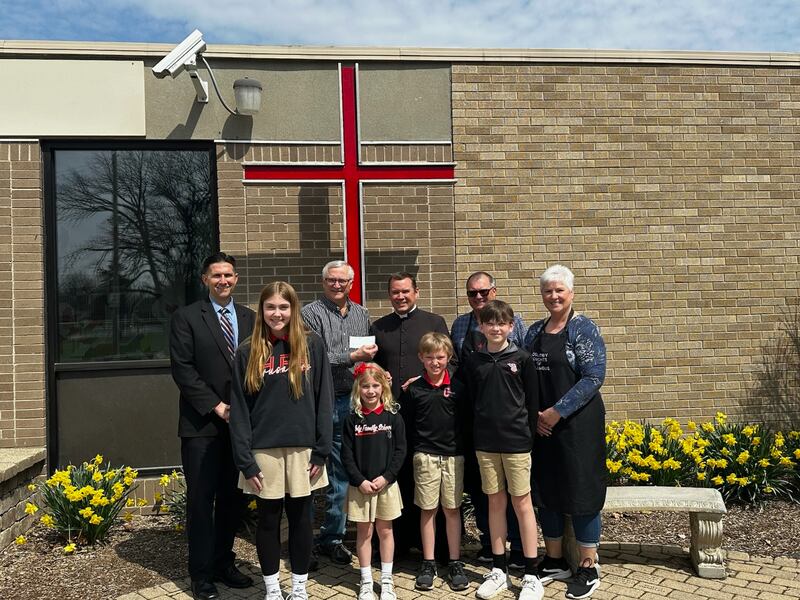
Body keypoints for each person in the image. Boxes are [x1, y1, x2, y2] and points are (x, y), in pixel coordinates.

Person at [229, 281, 334, 600]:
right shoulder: (248, 350)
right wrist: (245, 461)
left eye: (284, 307)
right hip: (263, 451)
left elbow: (324, 399)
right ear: (262, 310)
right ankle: (273, 589)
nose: (277, 313)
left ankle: (299, 588)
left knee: (303, 519)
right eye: (271, 307)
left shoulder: (312, 345)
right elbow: (240, 410)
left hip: (304, 449)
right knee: (269, 521)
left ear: (294, 309)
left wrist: (321, 451)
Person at [169, 252, 256, 600]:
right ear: (205, 279)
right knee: (202, 502)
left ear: (236, 279)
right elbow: (183, 371)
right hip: (202, 426)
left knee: (233, 500)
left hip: (242, 428)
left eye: (229, 275)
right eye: (216, 275)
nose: (224, 281)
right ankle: (201, 575)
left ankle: (223, 562)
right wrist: (218, 407)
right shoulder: (187, 317)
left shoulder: (250, 318)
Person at [524, 265, 607, 600]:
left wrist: (557, 412)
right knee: (547, 491)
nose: (554, 296)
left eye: (559, 290)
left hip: (577, 427)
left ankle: (588, 566)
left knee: (582, 492)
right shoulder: (533, 331)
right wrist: (537, 416)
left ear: (571, 292)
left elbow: (593, 376)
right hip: (543, 426)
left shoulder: (582, 329)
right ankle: (554, 560)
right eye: (548, 291)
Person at [460, 301, 543, 600]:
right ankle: (499, 569)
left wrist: (528, 436)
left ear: (510, 326)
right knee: (495, 502)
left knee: (522, 504)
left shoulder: (521, 358)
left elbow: (532, 403)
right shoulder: (474, 361)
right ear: (481, 327)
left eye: (502, 323)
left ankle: (532, 575)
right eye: (489, 323)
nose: (496, 328)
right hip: (485, 443)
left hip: (516, 443)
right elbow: (469, 402)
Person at [302, 260, 376, 565]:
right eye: (331, 280)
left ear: (351, 283)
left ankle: (331, 537)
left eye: (342, 281)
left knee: (342, 471)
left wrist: (369, 363)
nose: (336, 285)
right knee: (309, 471)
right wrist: (352, 356)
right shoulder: (309, 313)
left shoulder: (362, 313)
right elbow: (312, 355)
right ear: (323, 283)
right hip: (318, 401)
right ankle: (303, 540)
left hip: (352, 399)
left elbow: (366, 353)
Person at [371, 272, 449, 556]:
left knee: (428, 475)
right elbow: (371, 369)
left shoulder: (434, 322)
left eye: (405, 291)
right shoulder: (379, 327)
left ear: (416, 292)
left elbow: (448, 363)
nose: (400, 297)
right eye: (395, 292)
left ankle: (436, 547)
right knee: (398, 474)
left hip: (428, 416)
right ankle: (400, 543)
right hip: (392, 415)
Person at [450, 271, 525, 567]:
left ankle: (519, 547)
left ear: (494, 291)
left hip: (509, 420)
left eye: (483, 292)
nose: (478, 298)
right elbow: (454, 366)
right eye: (472, 294)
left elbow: (523, 372)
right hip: (474, 417)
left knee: (516, 490)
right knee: (484, 487)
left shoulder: (515, 322)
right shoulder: (459, 325)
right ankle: (488, 544)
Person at [400, 333, 468, 592]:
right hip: (425, 456)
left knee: (452, 510)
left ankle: (454, 561)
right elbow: (407, 425)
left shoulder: (459, 388)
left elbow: (465, 422)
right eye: (429, 357)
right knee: (427, 510)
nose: (435, 362)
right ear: (421, 358)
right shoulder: (414, 389)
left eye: (440, 357)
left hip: (453, 456)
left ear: (449, 357)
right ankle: (428, 562)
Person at [341, 363, 407, 600]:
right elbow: (346, 455)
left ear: (384, 388)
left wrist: (387, 477)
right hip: (361, 487)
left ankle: (387, 580)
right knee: (364, 533)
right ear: (358, 388)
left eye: (375, 385)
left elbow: (401, 451)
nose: (370, 391)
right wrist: (359, 480)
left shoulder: (393, 417)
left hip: (386, 486)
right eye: (365, 386)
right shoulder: (352, 420)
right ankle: (366, 580)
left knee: (386, 531)